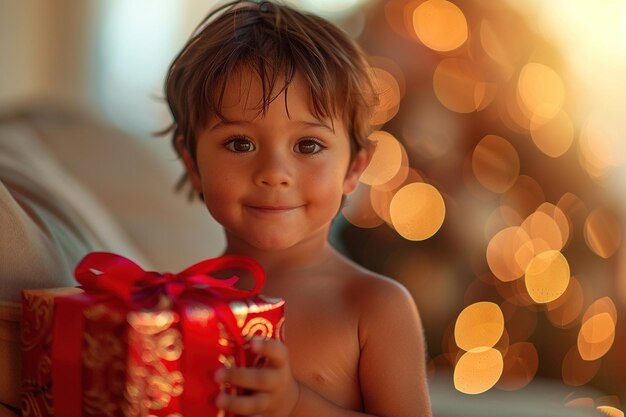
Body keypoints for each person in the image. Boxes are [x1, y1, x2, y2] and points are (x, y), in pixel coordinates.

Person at [162, 1, 432, 416]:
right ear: (192, 163)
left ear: (354, 168)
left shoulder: (375, 308)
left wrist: (295, 405)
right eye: (240, 143)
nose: (274, 173)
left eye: (308, 145)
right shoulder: (177, 305)